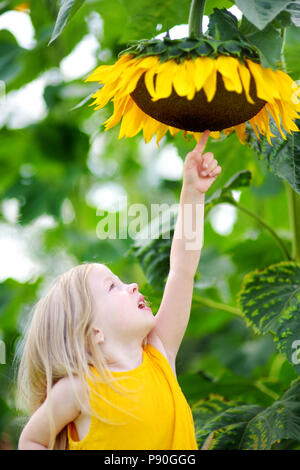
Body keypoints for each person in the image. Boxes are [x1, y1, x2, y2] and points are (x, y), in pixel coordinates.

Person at [16, 129, 222, 450]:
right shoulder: (80, 390)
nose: (133, 285)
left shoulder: (159, 355)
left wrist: (192, 194)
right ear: (94, 332)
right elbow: (31, 439)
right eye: (114, 286)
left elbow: (181, 269)